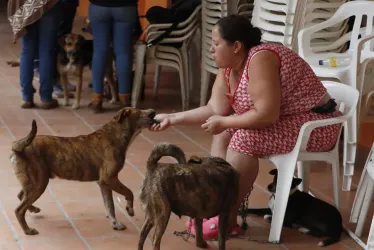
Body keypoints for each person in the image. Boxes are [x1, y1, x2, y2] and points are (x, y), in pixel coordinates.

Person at [149, 15, 342, 240]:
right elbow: (215, 108)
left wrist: (226, 122)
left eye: (216, 44)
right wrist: (172, 119)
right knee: (225, 133)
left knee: (243, 139)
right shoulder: (229, 66)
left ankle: (227, 217)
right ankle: (216, 201)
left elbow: (266, 114)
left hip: (315, 125)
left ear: (237, 46)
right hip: (287, 121)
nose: (211, 49)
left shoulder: (261, 59)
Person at [8, 0, 62, 109]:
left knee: (27, 52)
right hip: (49, 6)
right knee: (47, 50)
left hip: (26, 6)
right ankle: (46, 98)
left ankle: (27, 97)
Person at [88, 0, 139, 113]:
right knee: (123, 53)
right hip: (125, 7)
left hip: (98, 6)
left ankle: (97, 100)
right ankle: (124, 100)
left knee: (99, 51)